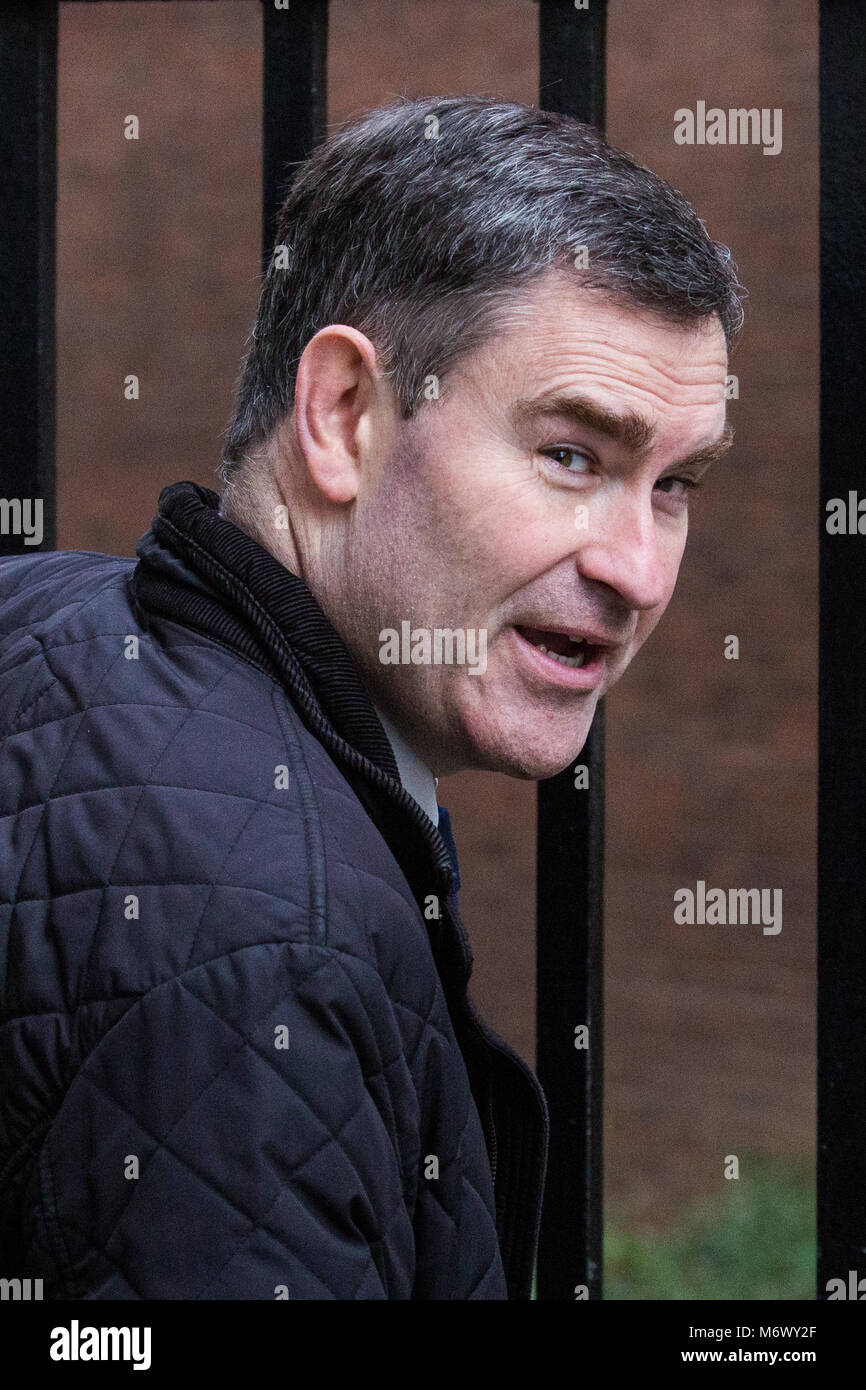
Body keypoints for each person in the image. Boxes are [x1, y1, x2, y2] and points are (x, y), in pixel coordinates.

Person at [0, 95, 742, 1300]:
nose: (637, 571)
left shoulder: (47, 622)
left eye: (674, 484)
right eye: (571, 454)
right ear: (344, 415)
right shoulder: (273, 942)